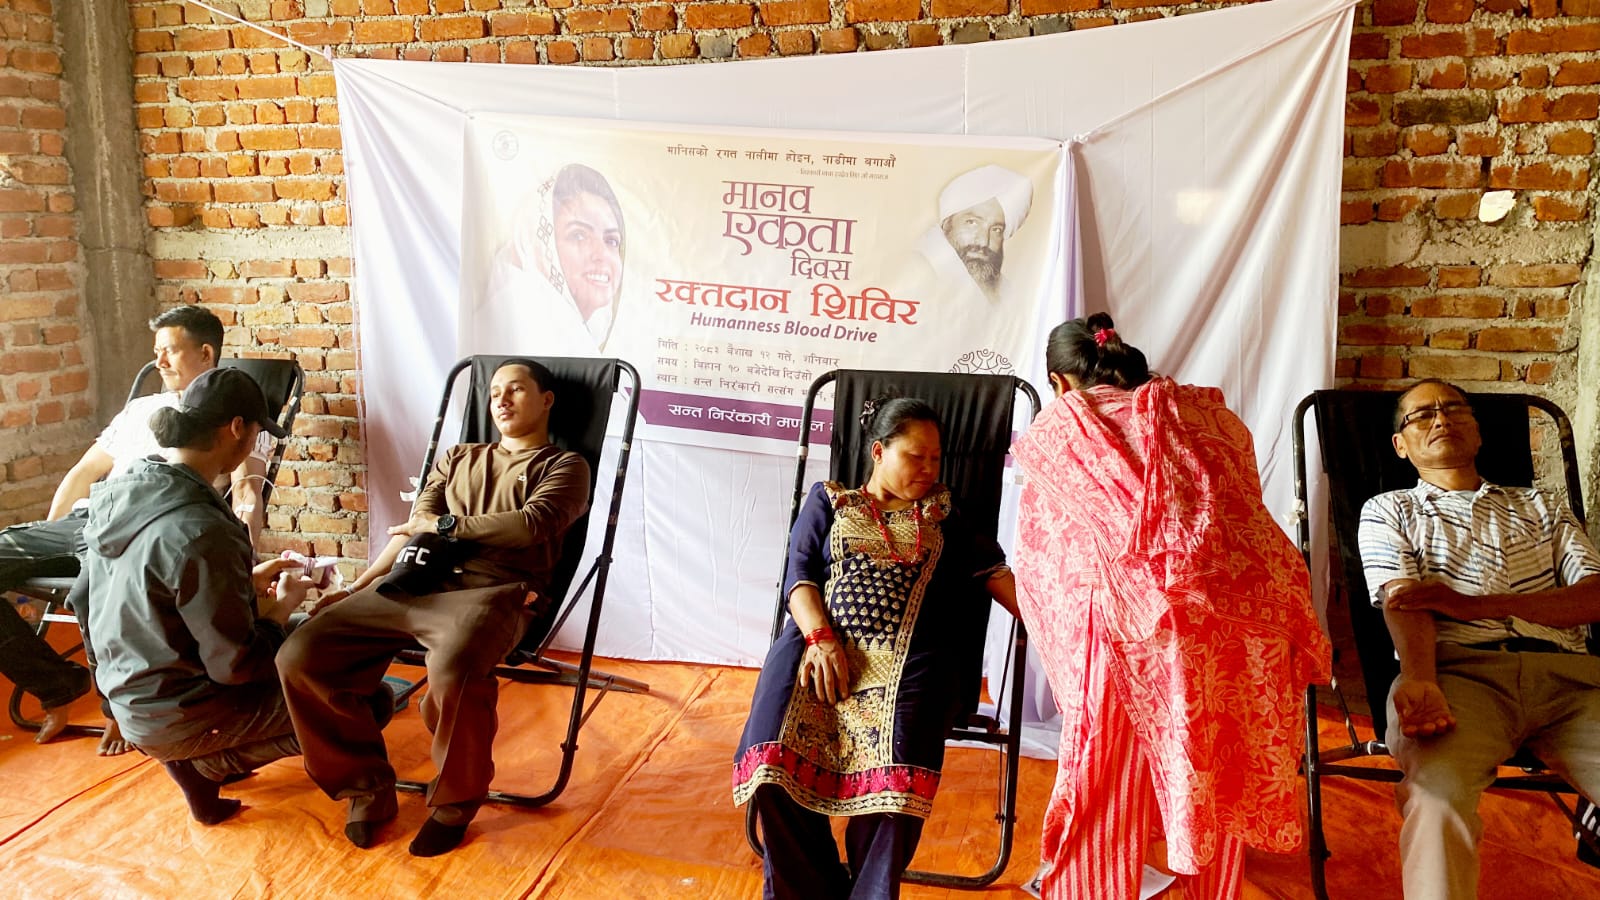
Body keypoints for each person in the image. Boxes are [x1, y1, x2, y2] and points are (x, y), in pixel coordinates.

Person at [1009, 313, 1331, 900]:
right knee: (1214, 767)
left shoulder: (1061, 429)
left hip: (1120, 632)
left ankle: (1092, 890)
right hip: (1230, 623)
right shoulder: (1205, 417)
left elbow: (1044, 561)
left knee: (1103, 774)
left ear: (1059, 382)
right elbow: (1242, 521)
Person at [277, 359, 591, 857]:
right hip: (415, 578)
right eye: (494, 393)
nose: (502, 401)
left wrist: (447, 526)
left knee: (455, 668)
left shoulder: (565, 466)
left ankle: (454, 804)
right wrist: (359, 584)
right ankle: (365, 786)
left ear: (546, 400)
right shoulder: (459, 456)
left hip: (493, 591)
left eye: (516, 390)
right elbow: (417, 521)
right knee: (301, 654)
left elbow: (531, 524)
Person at [732, 398, 1021, 899]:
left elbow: (997, 574)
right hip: (817, 650)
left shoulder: (945, 513)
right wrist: (820, 638)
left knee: (892, 794)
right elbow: (798, 577)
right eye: (916, 456)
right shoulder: (830, 501)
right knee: (772, 766)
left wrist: (1063, 623)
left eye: (936, 458)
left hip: (911, 664)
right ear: (879, 452)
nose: (929, 469)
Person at [1358, 378, 1600, 900]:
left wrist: (1474, 605)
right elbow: (1404, 602)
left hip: (1574, 681)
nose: (1441, 419)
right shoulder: (1388, 510)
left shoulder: (1542, 505)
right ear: (1400, 445)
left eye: (1454, 409)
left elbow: (1595, 597)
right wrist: (1420, 679)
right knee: (1436, 800)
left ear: (1478, 431)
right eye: (1422, 415)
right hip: (1457, 678)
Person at [0, 305, 274, 751]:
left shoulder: (230, 414)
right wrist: (51, 537)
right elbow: (83, 473)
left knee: (95, 589)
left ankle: (118, 706)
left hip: (143, 532)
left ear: (206, 353)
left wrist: (244, 553)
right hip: (91, 520)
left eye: (169, 350)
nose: (158, 361)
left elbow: (246, 488)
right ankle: (57, 685)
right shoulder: (141, 409)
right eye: (156, 351)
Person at [81, 367, 306, 825]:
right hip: (182, 711)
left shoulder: (124, 495)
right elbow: (235, 666)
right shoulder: (203, 529)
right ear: (237, 428)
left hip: (129, 700)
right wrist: (281, 609)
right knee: (357, 696)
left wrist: (241, 582)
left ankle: (197, 760)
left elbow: (94, 601)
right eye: (257, 432)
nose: (255, 442)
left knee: (302, 639)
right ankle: (206, 763)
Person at [471, 163, 626, 356]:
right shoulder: (523, 326)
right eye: (579, 235)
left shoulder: (574, 334)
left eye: (611, 240)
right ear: (539, 247)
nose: (601, 254)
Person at [915, 164, 1032, 303]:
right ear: (946, 224)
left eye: (996, 230)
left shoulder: (1006, 293)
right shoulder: (917, 271)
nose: (983, 241)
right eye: (972, 222)